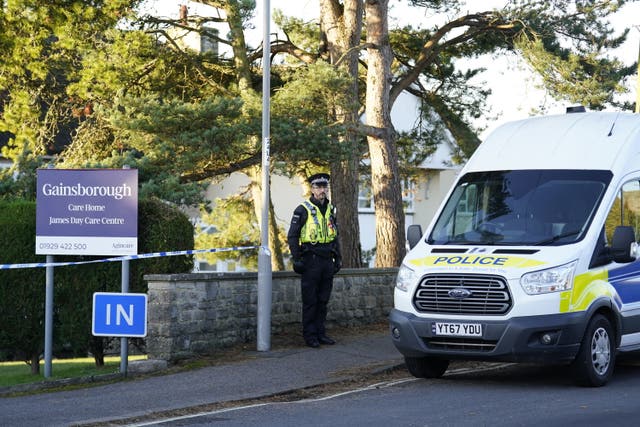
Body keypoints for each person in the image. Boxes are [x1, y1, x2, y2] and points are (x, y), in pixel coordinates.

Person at [287, 173, 342, 348]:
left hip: (327, 259)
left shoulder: (331, 209)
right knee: (310, 300)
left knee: (323, 299)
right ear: (312, 189)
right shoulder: (302, 209)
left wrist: (338, 257)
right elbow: (292, 236)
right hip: (311, 259)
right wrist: (296, 259)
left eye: (325, 186)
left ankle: (320, 333)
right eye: (318, 187)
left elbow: (335, 236)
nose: (322, 190)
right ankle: (310, 335)